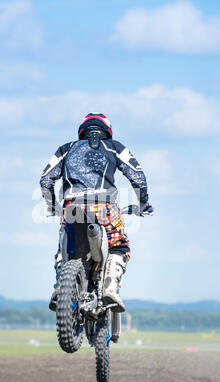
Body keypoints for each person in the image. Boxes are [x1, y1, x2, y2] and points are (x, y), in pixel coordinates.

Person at [40, 113, 152, 313]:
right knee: (120, 246)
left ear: (82, 131)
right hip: (104, 207)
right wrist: (143, 203)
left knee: (63, 249)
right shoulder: (115, 147)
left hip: (72, 208)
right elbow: (138, 177)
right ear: (107, 131)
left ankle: (60, 287)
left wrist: (52, 206)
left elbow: (46, 179)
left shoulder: (65, 149)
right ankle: (110, 287)